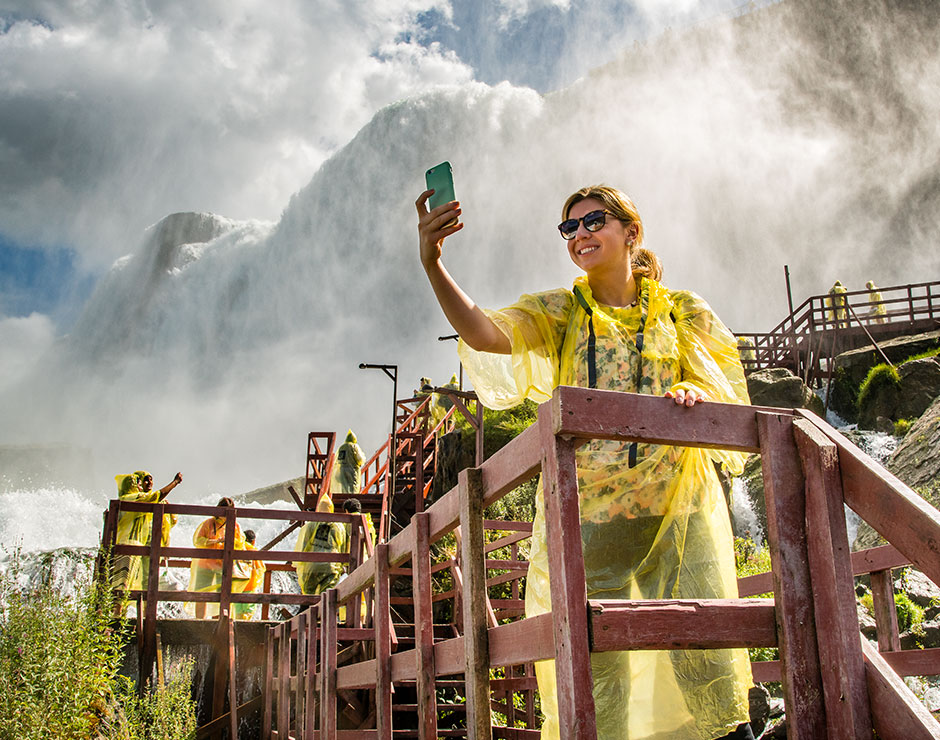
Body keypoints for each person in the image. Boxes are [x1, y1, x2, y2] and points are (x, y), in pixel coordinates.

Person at [416, 184, 754, 740]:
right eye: (568, 228)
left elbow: (725, 387)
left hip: (679, 513)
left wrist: (693, 388)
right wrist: (433, 265)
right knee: (600, 681)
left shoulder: (684, 311)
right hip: (592, 521)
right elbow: (486, 332)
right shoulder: (562, 312)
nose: (580, 235)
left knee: (705, 655)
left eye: (593, 221)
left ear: (631, 231)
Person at [111, 470, 182, 611]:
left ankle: (140, 614)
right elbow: (153, 498)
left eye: (150, 480)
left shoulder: (143, 500)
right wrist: (174, 483)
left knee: (141, 583)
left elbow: (169, 520)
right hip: (128, 546)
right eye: (142, 481)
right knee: (123, 581)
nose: (145, 484)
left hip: (143, 547)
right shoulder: (131, 498)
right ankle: (116, 615)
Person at [189, 497, 248, 619]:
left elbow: (241, 544)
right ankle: (200, 620)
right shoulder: (209, 523)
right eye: (223, 511)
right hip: (205, 564)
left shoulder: (235, 525)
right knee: (201, 593)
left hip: (223, 566)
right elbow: (198, 541)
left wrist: (230, 541)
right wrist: (216, 541)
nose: (225, 515)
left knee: (223, 594)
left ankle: (219, 620)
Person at [294, 496, 348, 596]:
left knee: (308, 594)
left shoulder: (311, 525)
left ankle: (308, 610)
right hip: (330, 566)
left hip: (311, 566)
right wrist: (343, 563)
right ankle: (324, 611)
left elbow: (303, 545)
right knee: (326, 596)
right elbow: (342, 545)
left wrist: (300, 563)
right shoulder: (338, 526)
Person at [234, 529, 266, 620]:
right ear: (253, 541)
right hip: (250, 586)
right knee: (248, 611)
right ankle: (244, 630)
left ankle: (236, 629)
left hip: (237, 586)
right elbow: (260, 568)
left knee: (238, 612)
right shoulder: (253, 550)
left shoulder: (236, 548)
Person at [332, 429, 365, 495]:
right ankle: (351, 498)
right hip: (351, 470)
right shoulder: (354, 446)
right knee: (352, 487)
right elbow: (360, 459)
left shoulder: (341, 447)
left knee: (343, 486)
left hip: (341, 470)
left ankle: (343, 497)